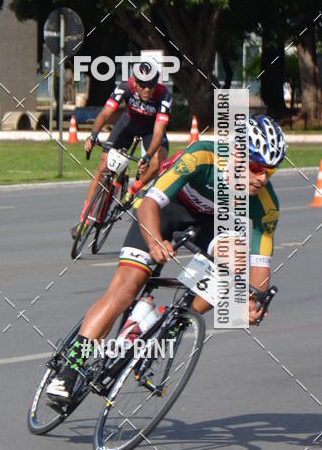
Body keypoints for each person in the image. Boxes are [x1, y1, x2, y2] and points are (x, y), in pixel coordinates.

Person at [50, 114, 286, 400]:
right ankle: (70, 370)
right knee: (125, 290)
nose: (262, 178)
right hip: (164, 209)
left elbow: (260, 266)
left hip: (210, 225)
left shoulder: (266, 203)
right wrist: (155, 242)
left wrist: (251, 301)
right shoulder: (202, 157)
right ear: (236, 154)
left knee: (234, 260)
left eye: (270, 171)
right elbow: (148, 204)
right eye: (256, 167)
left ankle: (175, 320)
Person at [72, 58, 172, 239]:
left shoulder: (164, 94)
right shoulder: (126, 87)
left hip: (151, 130)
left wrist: (147, 156)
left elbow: (159, 132)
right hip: (129, 124)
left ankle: (133, 189)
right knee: (103, 167)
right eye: (143, 85)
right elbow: (105, 113)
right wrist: (93, 135)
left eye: (151, 85)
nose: (147, 89)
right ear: (135, 82)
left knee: (158, 161)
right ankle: (84, 221)